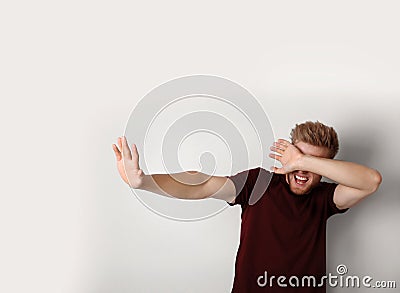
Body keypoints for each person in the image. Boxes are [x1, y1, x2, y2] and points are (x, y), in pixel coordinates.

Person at [112, 121, 382, 292]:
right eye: (297, 158)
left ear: (325, 166)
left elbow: (371, 181)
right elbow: (202, 184)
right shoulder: (259, 183)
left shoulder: (325, 198)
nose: (300, 171)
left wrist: (300, 160)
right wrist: (144, 182)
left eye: (311, 164)